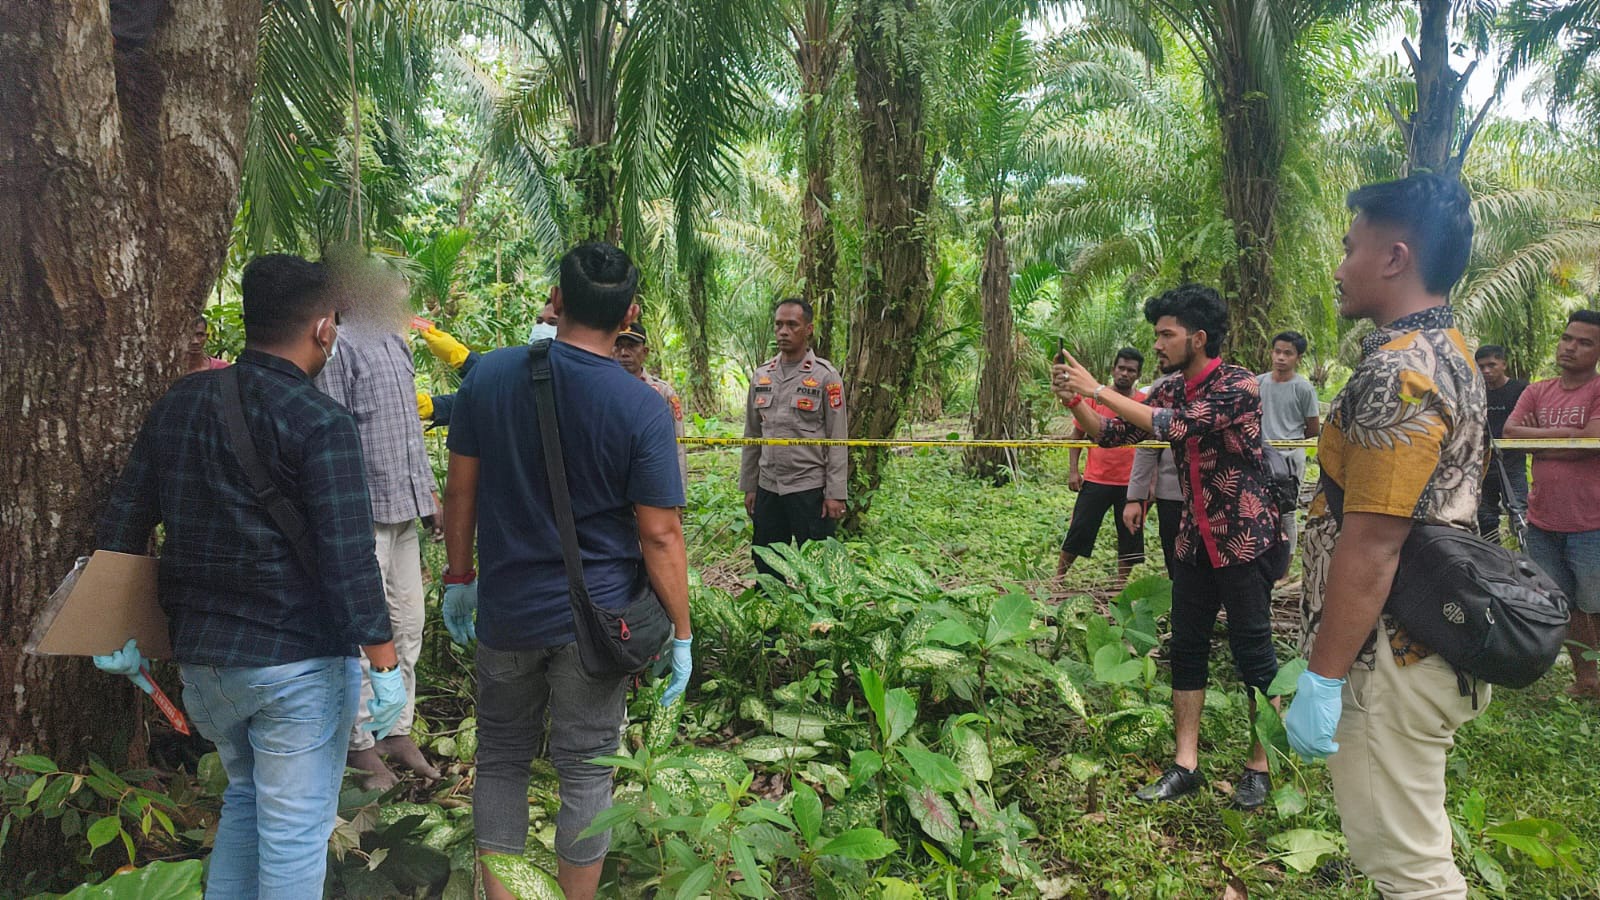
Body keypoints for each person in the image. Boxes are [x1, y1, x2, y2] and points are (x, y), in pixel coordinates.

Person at [93, 254, 403, 899]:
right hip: (296, 666)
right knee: (295, 834)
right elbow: (348, 558)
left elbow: (125, 519)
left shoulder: (181, 402)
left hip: (205, 666)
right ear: (324, 328)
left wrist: (108, 627)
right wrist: (385, 664)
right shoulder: (321, 422)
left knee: (246, 800)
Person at [439, 243, 693, 900]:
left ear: (556, 300)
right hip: (596, 624)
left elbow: (460, 492)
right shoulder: (641, 406)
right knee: (585, 771)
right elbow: (660, 533)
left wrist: (459, 577)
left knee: (501, 759)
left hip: (506, 614)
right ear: (630, 315)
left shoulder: (489, 377)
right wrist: (682, 632)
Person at [1284, 172, 1486, 899]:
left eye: (1349, 248)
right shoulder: (1451, 351)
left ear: (1395, 257)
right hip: (1432, 638)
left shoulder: (1398, 371)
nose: (1339, 267)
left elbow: (1374, 543)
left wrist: (1324, 677)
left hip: (1389, 657)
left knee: (1413, 874)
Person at [1053, 284, 1282, 810]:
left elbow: (1173, 426)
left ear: (1198, 338)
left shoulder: (1238, 385)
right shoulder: (1170, 387)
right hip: (1193, 539)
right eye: (1156, 334)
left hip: (1244, 539)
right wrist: (1076, 401)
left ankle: (1260, 766)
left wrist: (1097, 387)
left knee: (1254, 653)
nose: (1156, 344)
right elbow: (1110, 434)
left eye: (1166, 335)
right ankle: (1186, 765)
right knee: (1187, 647)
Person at [315, 271, 444, 789]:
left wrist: (428, 495)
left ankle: (396, 730)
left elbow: (410, 431)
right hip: (362, 515)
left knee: (409, 624)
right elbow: (333, 434)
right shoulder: (338, 350)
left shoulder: (396, 344)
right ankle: (359, 743)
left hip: (403, 511)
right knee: (367, 631)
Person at [1504, 310, 1600, 700]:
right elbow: (1510, 433)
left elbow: (1591, 443)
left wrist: (1541, 439)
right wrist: (1571, 436)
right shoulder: (1537, 391)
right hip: (1543, 520)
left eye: (1585, 342)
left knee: (1593, 604)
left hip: (1592, 521)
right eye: (1567, 338)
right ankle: (1587, 680)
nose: (1571, 347)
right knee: (1565, 604)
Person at [739, 298, 848, 577]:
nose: (783, 332)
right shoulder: (762, 375)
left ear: (808, 329)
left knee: (820, 569)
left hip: (809, 488)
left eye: (792, 325)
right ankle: (771, 606)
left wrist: (835, 493)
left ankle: (818, 609)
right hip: (769, 486)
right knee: (767, 565)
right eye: (778, 325)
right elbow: (752, 434)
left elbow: (837, 438)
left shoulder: (826, 376)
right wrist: (750, 486)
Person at [1058, 349, 1147, 585]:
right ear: (1113, 370)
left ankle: (1120, 587)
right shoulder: (1093, 399)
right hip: (1096, 478)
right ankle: (1057, 580)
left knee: (1130, 535)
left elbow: (1153, 448)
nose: (1125, 374)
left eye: (1131, 370)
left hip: (1132, 484)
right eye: (1121, 368)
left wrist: (1151, 483)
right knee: (1079, 529)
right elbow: (1077, 435)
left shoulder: (1144, 404)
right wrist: (1073, 470)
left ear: (1138, 375)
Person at [418, 300, 558, 429]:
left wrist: (461, 357)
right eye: (539, 321)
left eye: (553, 323)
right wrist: (433, 406)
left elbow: (510, 393)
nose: (542, 327)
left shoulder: (565, 375)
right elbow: (492, 393)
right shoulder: (524, 363)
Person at [1256, 331, 1321, 560]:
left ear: (1298, 358)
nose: (1281, 357)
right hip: (1261, 455)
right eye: (1277, 352)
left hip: (1290, 457)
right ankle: (1264, 558)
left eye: (1288, 353)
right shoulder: (1258, 383)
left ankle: (1286, 562)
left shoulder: (1303, 388)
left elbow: (1313, 427)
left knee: (1287, 512)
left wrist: (1290, 441)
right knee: (1258, 507)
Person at [613, 321, 688, 490]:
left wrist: (679, 493)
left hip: (651, 484)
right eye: (618, 346)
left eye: (631, 346)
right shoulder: (600, 389)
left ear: (645, 352)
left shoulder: (663, 393)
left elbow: (678, 446)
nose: (624, 353)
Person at [1124, 378, 1184, 574]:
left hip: (1218, 496)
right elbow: (1147, 445)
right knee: (1174, 559)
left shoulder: (1231, 383)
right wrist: (1134, 498)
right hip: (1172, 494)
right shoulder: (1164, 387)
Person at [1474, 345, 1529, 541]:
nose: (1486, 371)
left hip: (1512, 462)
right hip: (1483, 464)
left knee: (1518, 513)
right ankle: (1493, 554)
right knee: (1484, 515)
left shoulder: (1520, 390)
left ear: (1503, 364)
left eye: (1491, 365)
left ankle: (1528, 554)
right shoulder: (1475, 392)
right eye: (1481, 367)